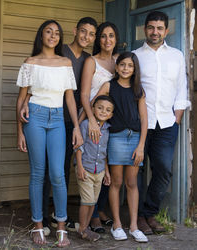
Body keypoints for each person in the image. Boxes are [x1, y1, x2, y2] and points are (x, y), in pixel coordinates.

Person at [19, 17, 97, 234]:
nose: (52, 36)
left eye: (56, 33)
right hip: (38, 114)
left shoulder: (76, 61)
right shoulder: (42, 56)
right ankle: (40, 223)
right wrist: (21, 125)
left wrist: (76, 126)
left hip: (62, 119)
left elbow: (73, 96)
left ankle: (59, 222)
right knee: (39, 172)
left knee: (58, 172)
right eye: (48, 32)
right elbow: (28, 91)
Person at [133, 11, 191, 235]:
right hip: (140, 124)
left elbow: (181, 87)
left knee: (164, 170)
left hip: (167, 123)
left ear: (166, 31)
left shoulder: (176, 55)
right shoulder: (135, 56)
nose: (155, 32)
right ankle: (138, 216)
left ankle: (149, 212)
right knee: (136, 170)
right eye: (151, 27)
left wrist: (176, 117)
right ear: (145, 29)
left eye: (159, 28)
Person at [93, 52, 148, 242]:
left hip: (135, 139)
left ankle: (133, 226)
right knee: (115, 182)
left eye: (130, 66)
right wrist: (93, 124)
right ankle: (117, 224)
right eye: (122, 65)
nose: (125, 68)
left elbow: (144, 119)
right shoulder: (109, 86)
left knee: (132, 183)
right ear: (116, 68)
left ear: (134, 69)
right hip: (116, 138)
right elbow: (95, 105)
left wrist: (141, 146)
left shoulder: (138, 89)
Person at [80, 21, 119, 232]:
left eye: (111, 35)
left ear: (116, 39)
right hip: (92, 119)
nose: (107, 40)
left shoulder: (120, 61)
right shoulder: (91, 61)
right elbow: (85, 95)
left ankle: (100, 209)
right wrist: (92, 121)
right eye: (103, 36)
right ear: (98, 40)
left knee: (108, 167)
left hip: (111, 121)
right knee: (91, 165)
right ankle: (93, 215)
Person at [76, 95, 113, 241]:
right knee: (87, 201)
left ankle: (86, 227)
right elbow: (79, 147)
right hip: (86, 168)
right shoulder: (85, 125)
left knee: (93, 202)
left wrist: (107, 172)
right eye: (100, 107)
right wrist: (79, 166)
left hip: (100, 171)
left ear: (111, 115)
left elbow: (104, 153)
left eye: (108, 110)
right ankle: (82, 229)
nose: (103, 111)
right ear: (92, 109)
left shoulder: (108, 130)